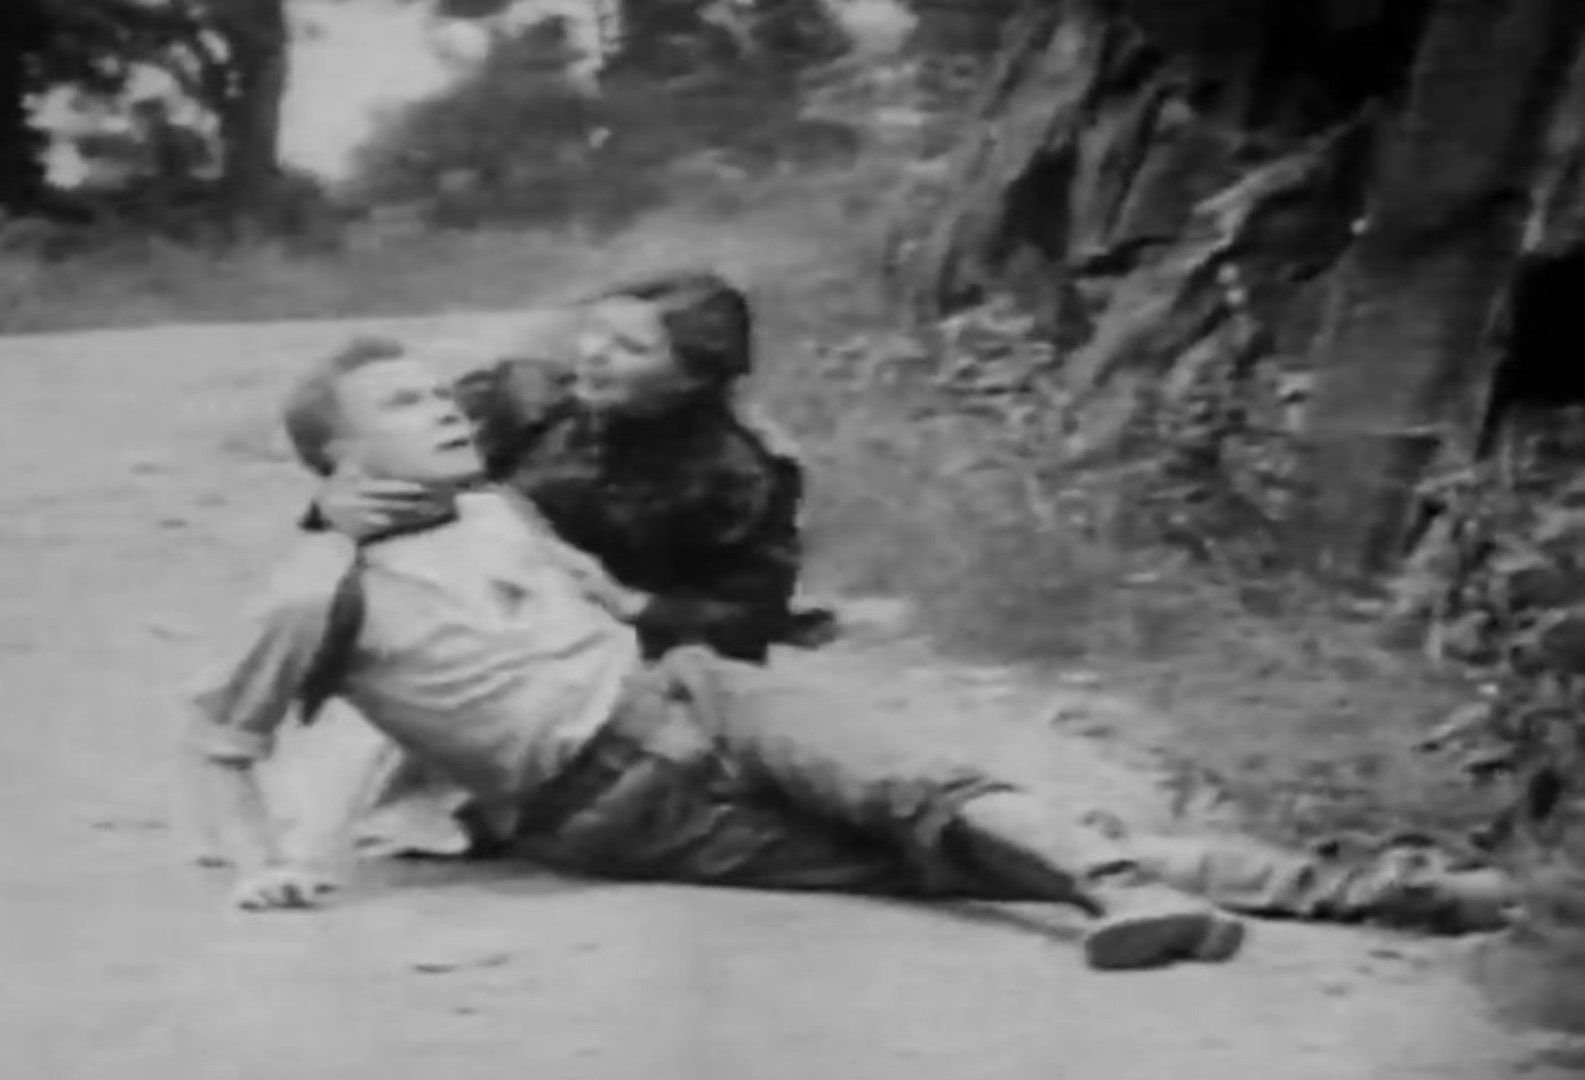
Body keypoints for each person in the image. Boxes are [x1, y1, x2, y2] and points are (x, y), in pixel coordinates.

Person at [185, 337, 1264, 972]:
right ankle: (1284, 883)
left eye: (438, 392)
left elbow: (588, 600)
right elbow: (220, 740)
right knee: (920, 860)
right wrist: (265, 863)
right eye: (403, 404)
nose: (444, 410)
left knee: (908, 787)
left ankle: (1125, 888)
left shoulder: (495, 506)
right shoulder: (314, 588)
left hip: (694, 695)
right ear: (338, 452)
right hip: (603, 807)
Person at [291, 271, 826, 860]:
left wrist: (632, 603)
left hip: (618, 668)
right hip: (474, 635)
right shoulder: (520, 400)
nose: (593, 354)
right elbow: (382, 462)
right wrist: (334, 507)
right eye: (594, 331)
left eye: (631, 348)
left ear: (691, 377)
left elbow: (751, 618)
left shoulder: (742, 473)